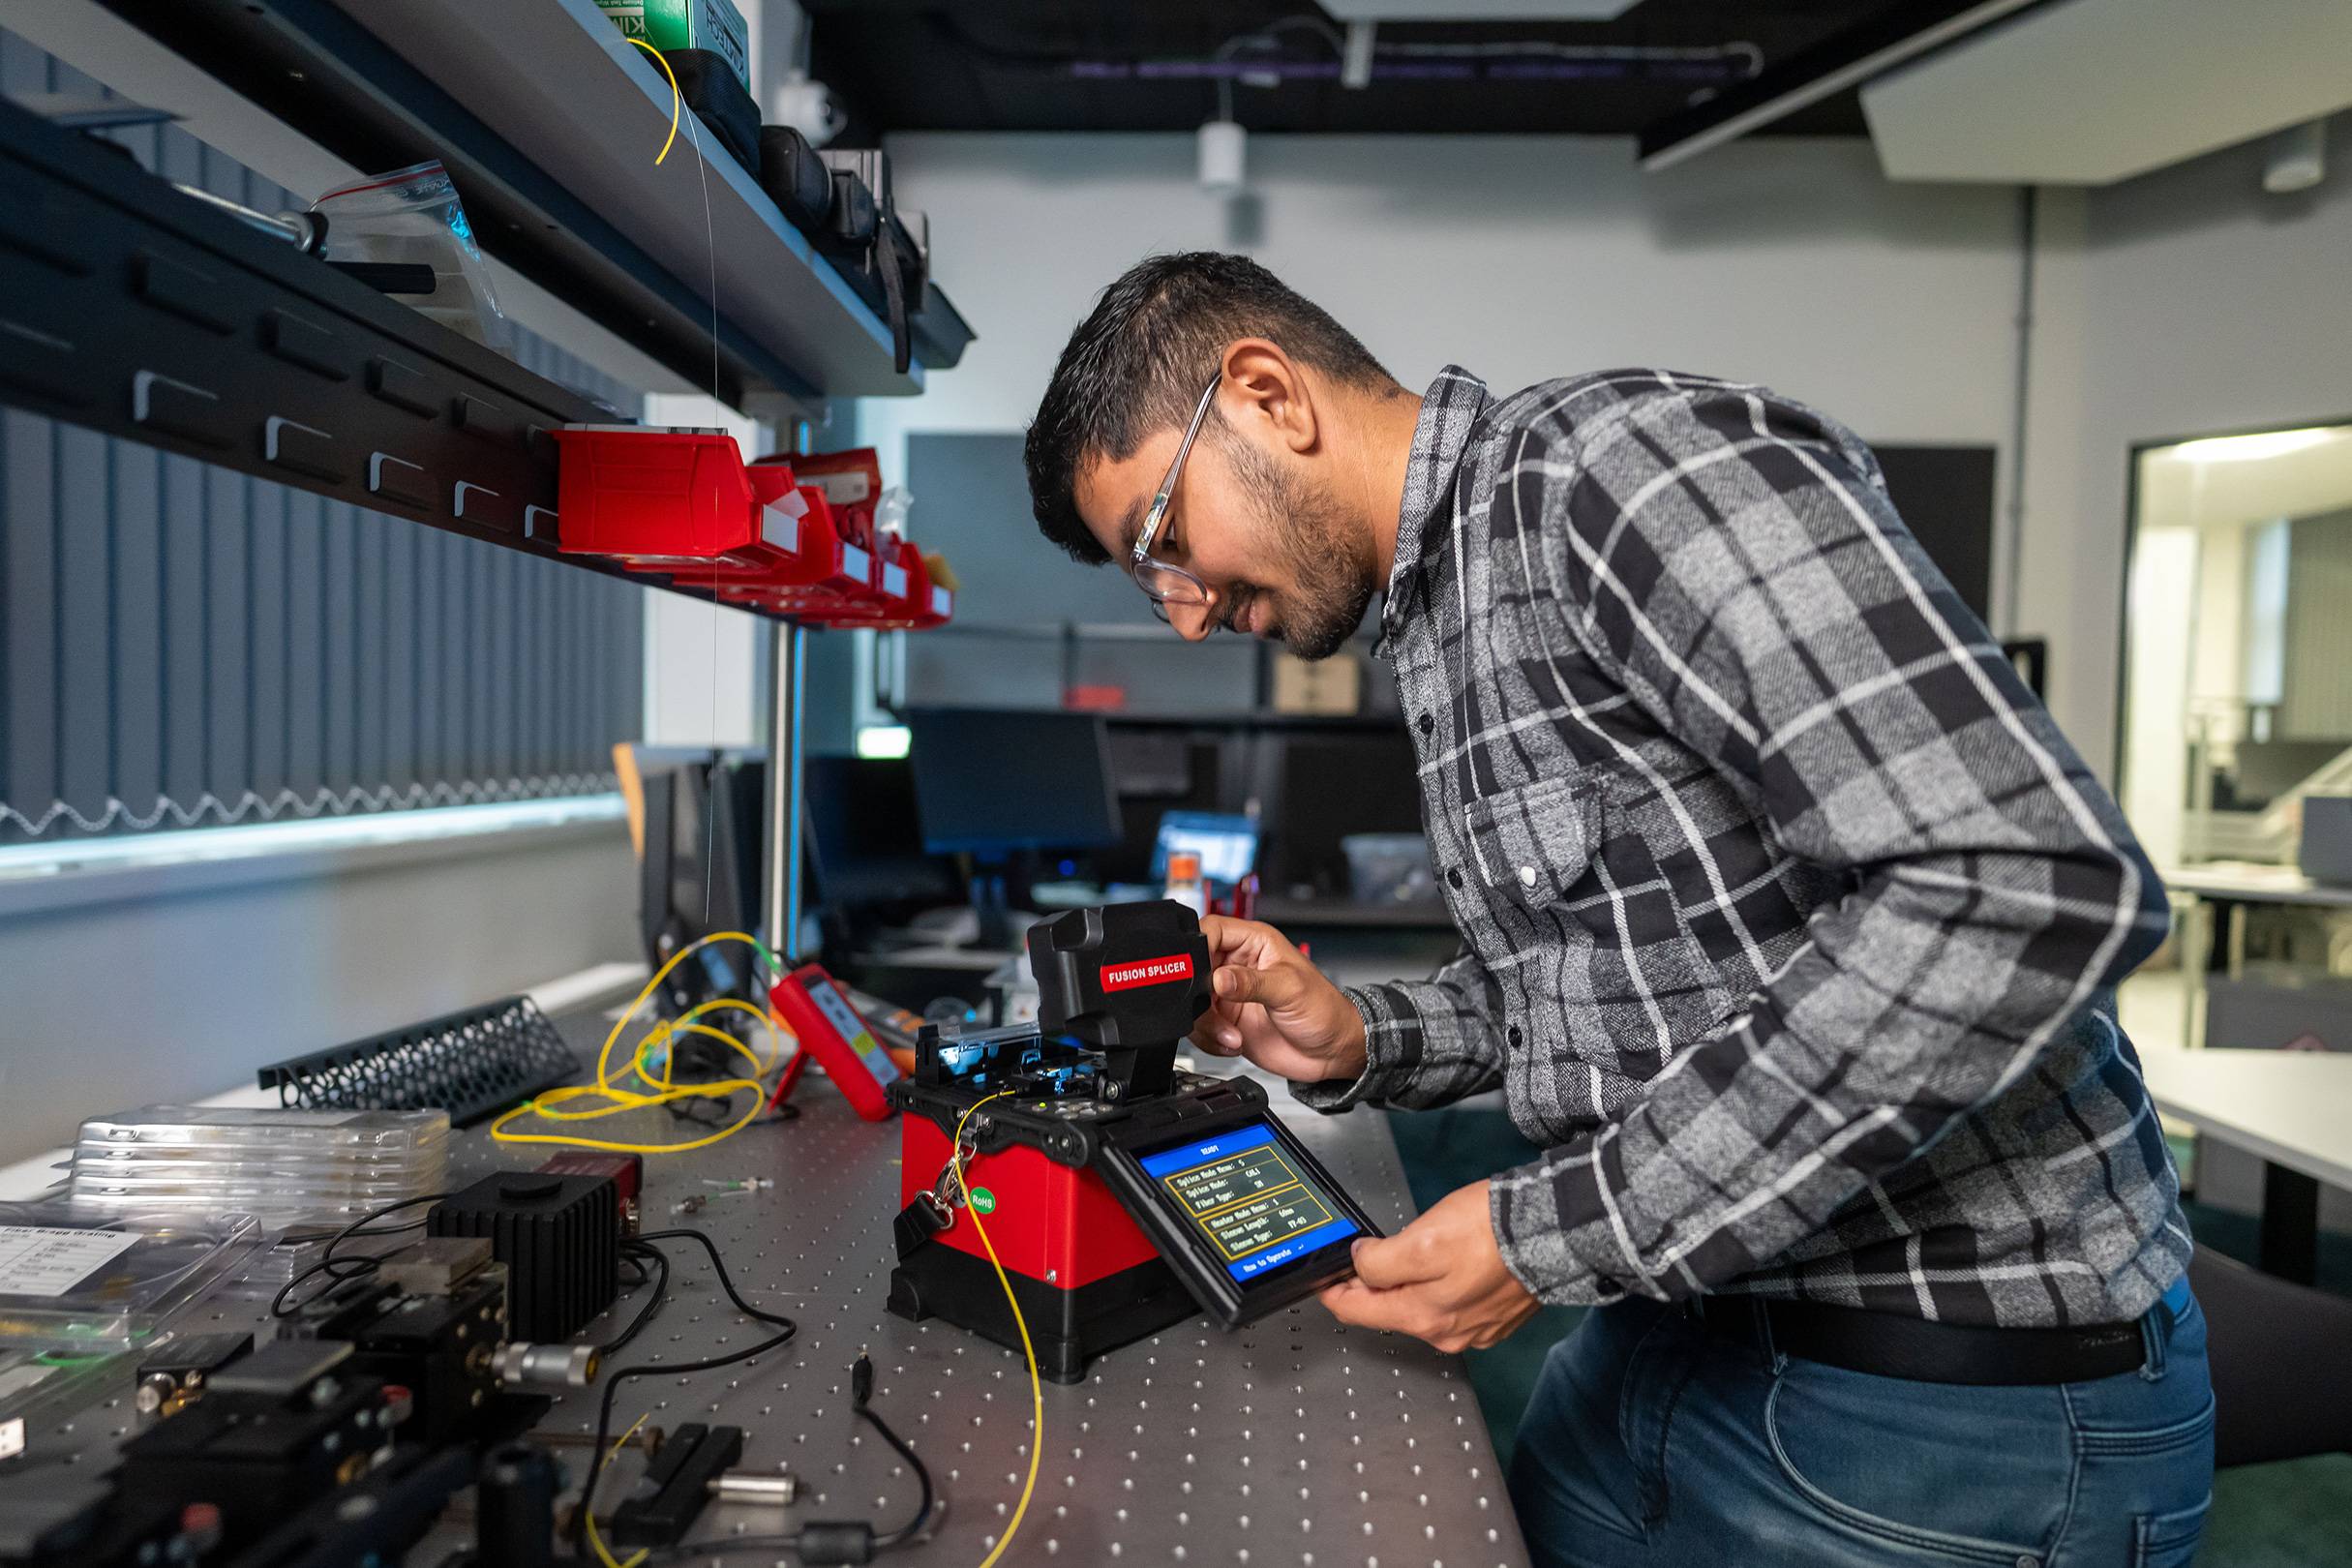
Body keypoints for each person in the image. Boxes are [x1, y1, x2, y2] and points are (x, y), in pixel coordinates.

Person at [1022, 252, 2213, 1567]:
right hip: (1660, 1333)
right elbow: (1615, 980)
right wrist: (1362, 1034)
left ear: (1264, 395)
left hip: (1933, 1409)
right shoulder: (1435, 613)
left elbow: (2016, 887)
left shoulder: (1617, 471)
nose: (1184, 616)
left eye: (1164, 541)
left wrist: (1557, 1233)